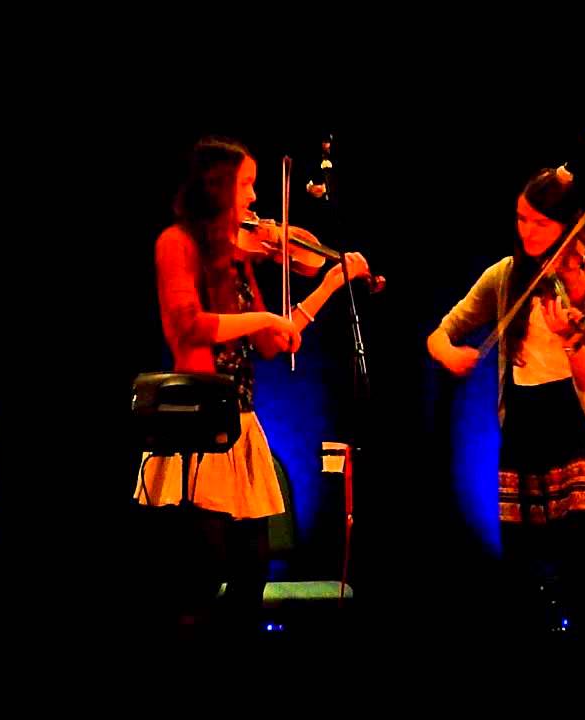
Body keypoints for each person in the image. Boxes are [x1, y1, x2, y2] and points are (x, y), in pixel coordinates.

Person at [134, 136, 370, 627]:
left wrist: (328, 284)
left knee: (252, 569)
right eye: (247, 185)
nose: (255, 200)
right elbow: (190, 325)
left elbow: (272, 342)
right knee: (199, 575)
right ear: (218, 188)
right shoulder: (176, 243)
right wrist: (263, 319)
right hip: (195, 427)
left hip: (239, 423)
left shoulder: (239, 257)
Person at [427, 165, 585, 630]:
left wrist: (570, 335)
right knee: (521, 557)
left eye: (541, 222)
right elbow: (440, 333)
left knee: (577, 562)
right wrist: (449, 355)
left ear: (566, 224)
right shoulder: (504, 276)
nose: (527, 231)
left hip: (573, 418)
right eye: (521, 218)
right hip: (525, 419)